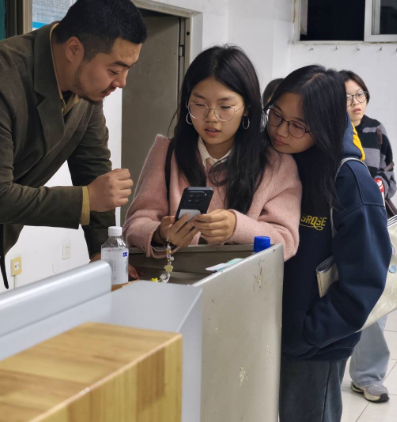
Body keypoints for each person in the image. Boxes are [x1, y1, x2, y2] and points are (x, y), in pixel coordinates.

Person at [0, 0, 146, 316]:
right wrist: (86, 199)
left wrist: (102, 252)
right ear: (74, 49)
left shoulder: (85, 90)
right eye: (114, 69)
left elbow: (94, 170)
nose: (121, 82)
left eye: (128, 69)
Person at [265, 66, 391, 422]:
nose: (282, 131)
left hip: (316, 341)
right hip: (261, 333)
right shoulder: (270, 162)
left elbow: (365, 279)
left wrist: (311, 331)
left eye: (298, 124)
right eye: (276, 116)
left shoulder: (347, 177)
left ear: (324, 122)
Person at [123, 45, 301, 261]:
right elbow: (134, 224)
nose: (211, 117)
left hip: (245, 281)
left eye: (225, 107)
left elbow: (286, 240)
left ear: (247, 107)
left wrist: (237, 227)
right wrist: (161, 234)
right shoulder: (167, 152)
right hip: (177, 278)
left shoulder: (277, 164)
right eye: (199, 104)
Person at [340, 69, 397, 403]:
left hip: (375, 224)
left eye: (359, 94)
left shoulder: (376, 129)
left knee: (378, 297)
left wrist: (381, 185)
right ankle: (334, 367)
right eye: (348, 97)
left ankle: (368, 376)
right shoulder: (331, 132)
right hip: (343, 225)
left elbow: (389, 172)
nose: (356, 102)